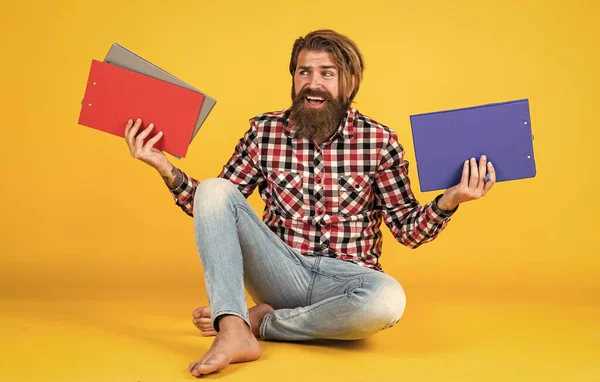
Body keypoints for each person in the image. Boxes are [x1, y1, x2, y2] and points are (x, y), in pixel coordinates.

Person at [123, 29, 495, 377]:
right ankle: (233, 328)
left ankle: (261, 323)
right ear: (293, 78)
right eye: (304, 72)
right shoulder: (263, 132)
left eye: (326, 73)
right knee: (214, 188)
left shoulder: (380, 142)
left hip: (348, 281)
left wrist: (451, 200)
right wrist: (165, 168)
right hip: (281, 269)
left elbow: (408, 231)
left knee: (388, 301)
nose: (313, 84)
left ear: (348, 82)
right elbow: (214, 209)